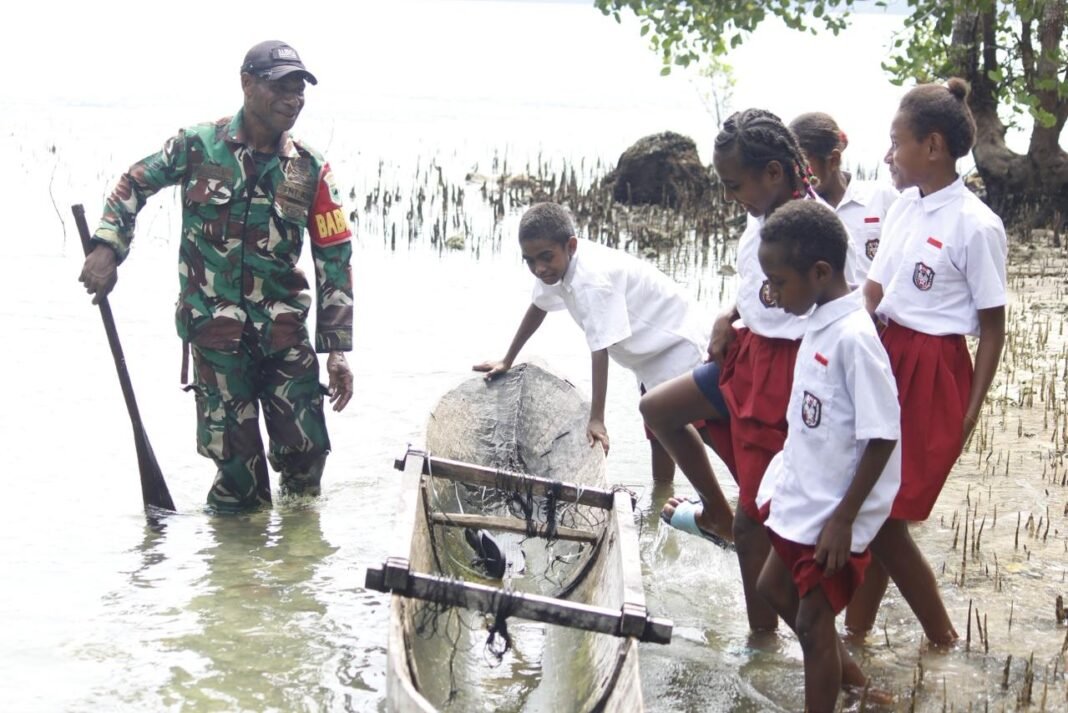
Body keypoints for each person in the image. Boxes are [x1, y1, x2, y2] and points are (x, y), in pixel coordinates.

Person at [78, 40, 355, 513]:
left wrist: (337, 353)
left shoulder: (310, 169)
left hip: (285, 338)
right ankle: (233, 576)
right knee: (237, 478)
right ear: (247, 84)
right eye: (281, 87)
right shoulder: (197, 145)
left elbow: (335, 258)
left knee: (305, 462)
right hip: (216, 337)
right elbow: (134, 182)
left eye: (299, 90)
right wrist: (109, 246)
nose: (293, 100)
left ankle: (299, 569)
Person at [845, 78, 1007, 645]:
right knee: (873, 507)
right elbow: (872, 292)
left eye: (897, 142)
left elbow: (992, 328)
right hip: (885, 357)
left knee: (888, 513)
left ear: (932, 147)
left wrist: (969, 412)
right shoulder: (902, 211)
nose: (889, 154)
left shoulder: (977, 224)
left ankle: (941, 637)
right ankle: (856, 631)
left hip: (934, 371)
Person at [640, 108, 815, 631]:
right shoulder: (761, 214)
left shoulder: (811, 226)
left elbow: (834, 303)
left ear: (774, 173)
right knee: (658, 409)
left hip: (781, 372)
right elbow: (757, 284)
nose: (731, 194)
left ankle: (761, 640)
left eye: (736, 184)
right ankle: (716, 511)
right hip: (744, 355)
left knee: (754, 524)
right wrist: (728, 313)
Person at [473, 202, 735, 543]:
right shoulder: (557, 268)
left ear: (571, 246)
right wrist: (508, 358)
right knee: (661, 438)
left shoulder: (591, 280)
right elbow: (538, 307)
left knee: (710, 437)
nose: (539, 268)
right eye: (530, 260)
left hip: (679, 348)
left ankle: (727, 515)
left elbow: (599, 350)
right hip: (649, 358)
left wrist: (597, 418)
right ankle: (660, 505)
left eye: (545, 257)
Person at [752, 200, 901, 712]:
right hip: (805, 492)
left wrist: (845, 519)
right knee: (773, 587)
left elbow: (882, 436)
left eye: (779, 281)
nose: (771, 292)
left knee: (814, 626)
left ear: (819, 272)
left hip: (836, 511)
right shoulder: (817, 319)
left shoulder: (855, 337)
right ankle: (861, 689)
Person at [790, 112, 899, 280]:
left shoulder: (881, 197)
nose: (799, 177)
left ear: (833, 160)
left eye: (803, 168)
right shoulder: (799, 215)